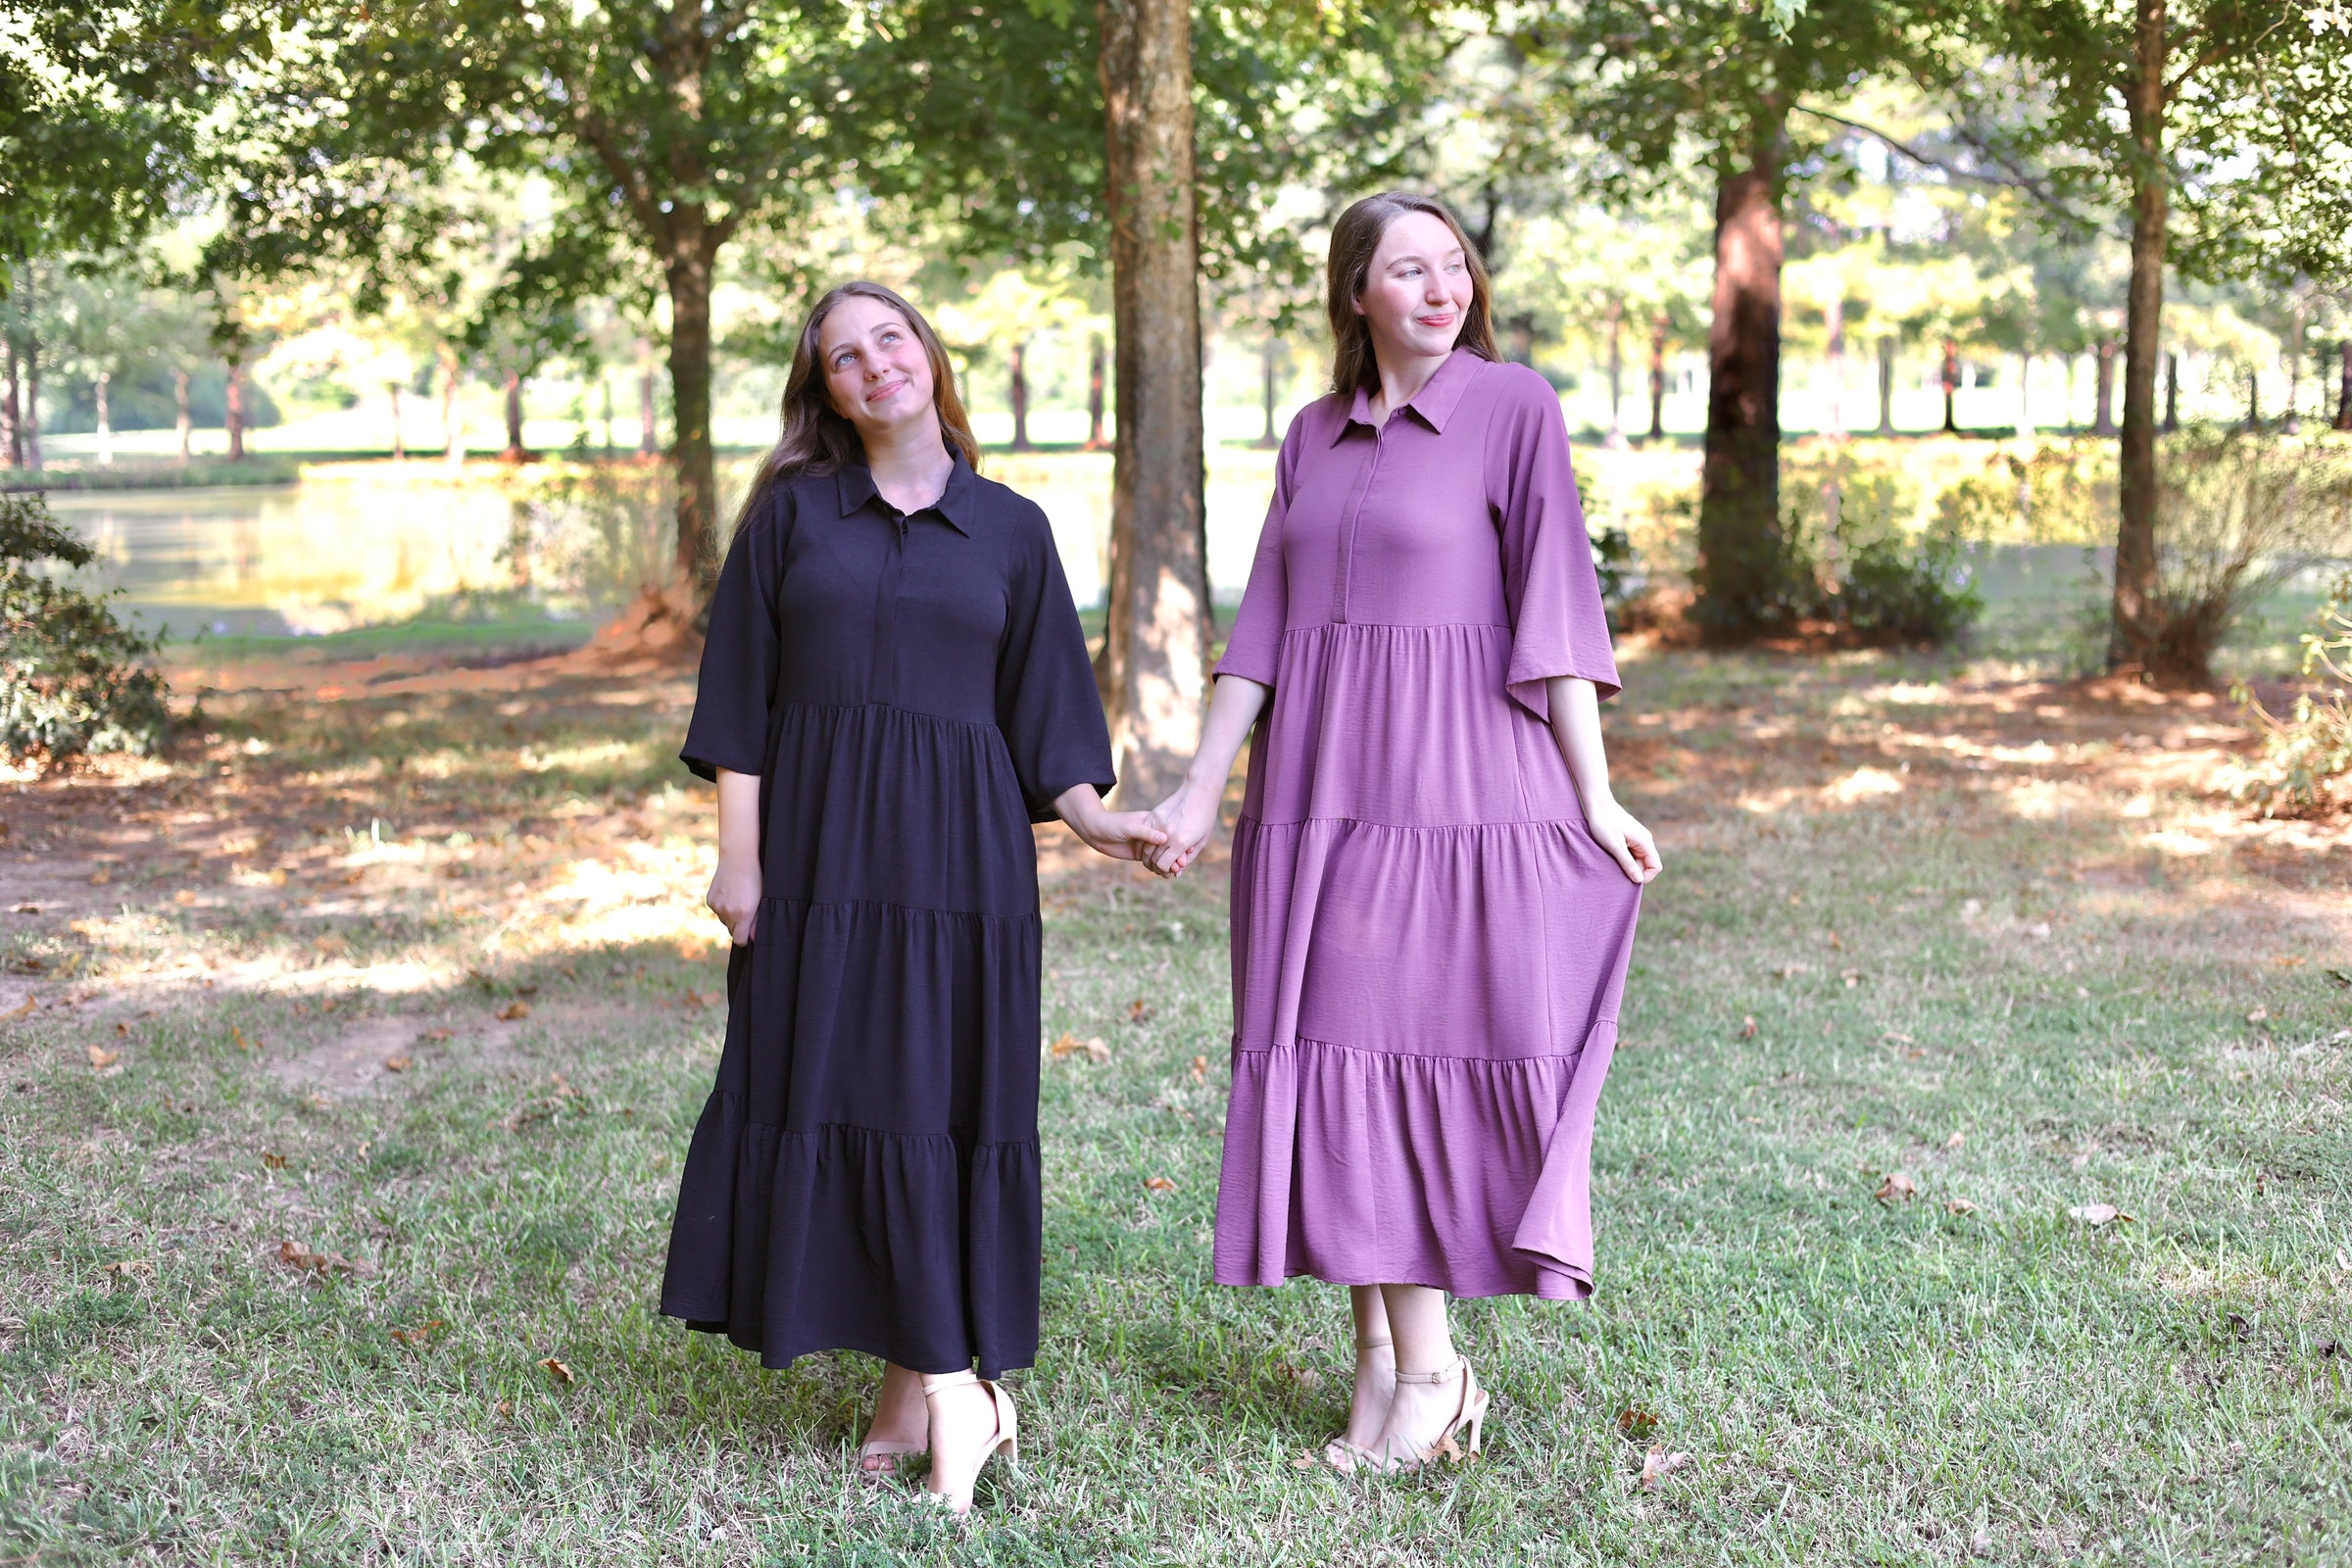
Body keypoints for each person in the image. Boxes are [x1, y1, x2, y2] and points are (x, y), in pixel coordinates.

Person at [1145, 192, 1662, 1473]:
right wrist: (1203, 791)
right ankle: (1379, 1367)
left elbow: (1556, 609)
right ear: (1356, 295)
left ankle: (1433, 1378)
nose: (1438, 288)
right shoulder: (1315, 435)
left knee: (1391, 1044)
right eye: (1405, 269)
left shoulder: (1513, 408)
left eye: (1452, 266)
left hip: (1456, 789)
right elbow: (1261, 631)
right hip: (1319, 794)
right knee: (1333, 1058)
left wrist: (1593, 793)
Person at [659, 281, 1165, 1513]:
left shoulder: (1013, 529)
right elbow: (739, 701)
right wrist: (741, 858)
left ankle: (929, 1390)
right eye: (843, 356)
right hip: (821, 859)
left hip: (962, 868)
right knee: (830, 1087)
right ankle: (951, 1389)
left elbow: (1049, 723)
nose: (873, 364)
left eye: (891, 339)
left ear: (930, 357)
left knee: (932, 1105)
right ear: (825, 391)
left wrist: (1104, 823)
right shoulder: (789, 519)